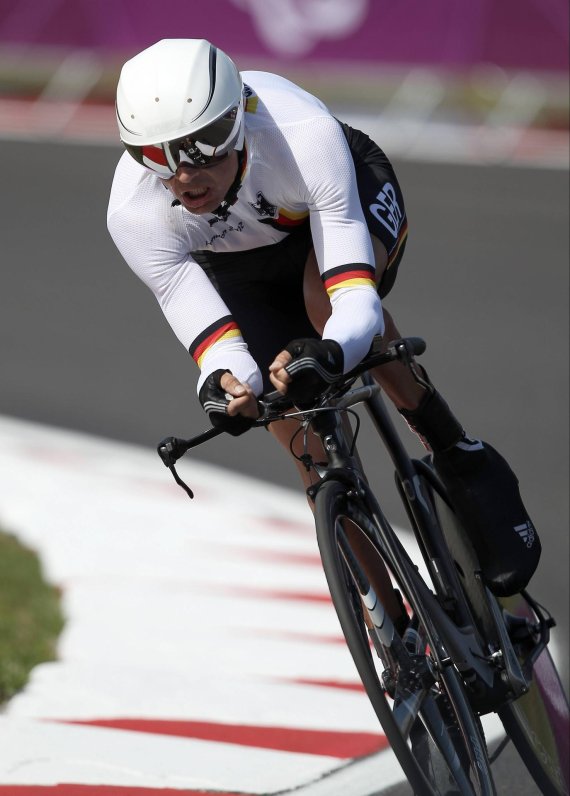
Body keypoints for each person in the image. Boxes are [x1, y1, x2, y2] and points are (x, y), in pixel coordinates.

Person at [107, 38, 540, 601]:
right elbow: (216, 342)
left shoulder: (301, 134)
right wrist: (224, 384)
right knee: (297, 436)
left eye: (205, 145)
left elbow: (352, 297)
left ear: (238, 121)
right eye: (157, 155)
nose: (186, 174)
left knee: (323, 300)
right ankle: (390, 622)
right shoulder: (134, 212)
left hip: (335, 206)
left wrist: (332, 350)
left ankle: (451, 444)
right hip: (240, 260)